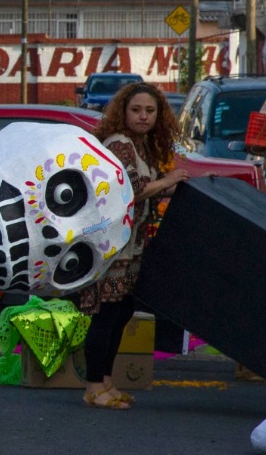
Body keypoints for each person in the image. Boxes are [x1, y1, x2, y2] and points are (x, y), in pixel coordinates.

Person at [80, 83, 189, 410]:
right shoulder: (120, 143)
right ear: (123, 112)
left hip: (133, 244)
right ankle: (93, 386)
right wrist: (168, 180)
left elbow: (150, 189)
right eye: (137, 110)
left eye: (150, 111)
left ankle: (107, 382)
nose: (143, 116)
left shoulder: (142, 144)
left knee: (122, 311)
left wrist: (178, 186)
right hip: (111, 246)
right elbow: (130, 190)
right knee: (106, 314)